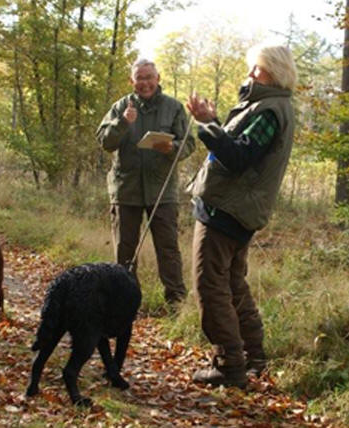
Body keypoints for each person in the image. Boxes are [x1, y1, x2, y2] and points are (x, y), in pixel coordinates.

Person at [186, 44, 297, 388]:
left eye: (256, 69)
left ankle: (229, 364)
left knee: (210, 286)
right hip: (234, 208)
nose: (250, 74)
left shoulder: (269, 110)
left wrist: (207, 125)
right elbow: (238, 149)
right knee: (232, 285)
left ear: (274, 73)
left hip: (227, 211)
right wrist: (215, 123)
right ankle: (253, 357)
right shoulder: (266, 106)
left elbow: (237, 157)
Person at [96, 59, 195, 305]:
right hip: (125, 189)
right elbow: (105, 142)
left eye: (149, 77)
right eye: (140, 78)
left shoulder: (173, 108)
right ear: (132, 81)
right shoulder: (120, 107)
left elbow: (189, 144)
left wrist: (171, 146)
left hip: (162, 190)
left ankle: (176, 302)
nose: (145, 83)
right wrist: (122, 123)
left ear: (158, 78)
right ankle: (126, 302)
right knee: (125, 250)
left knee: (168, 249)